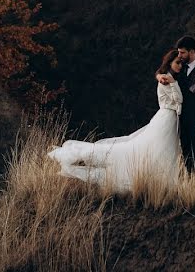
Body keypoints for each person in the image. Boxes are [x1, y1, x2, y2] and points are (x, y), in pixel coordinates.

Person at [47, 49, 183, 191]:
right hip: (165, 119)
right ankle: (77, 155)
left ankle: (162, 184)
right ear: (169, 63)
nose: (180, 66)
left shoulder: (169, 77)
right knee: (152, 150)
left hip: (170, 120)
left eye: (181, 63)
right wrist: (173, 83)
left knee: (163, 151)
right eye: (177, 63)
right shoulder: (166, 79)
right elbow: (179, 99)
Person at [156, 35, 195, 172]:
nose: (180, 55)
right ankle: (190, 182)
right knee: (186, 153)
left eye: (182, 52)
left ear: (192, 51)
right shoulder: (179, 67)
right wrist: (159, 76)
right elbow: (163, 69)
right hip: (181, 121)